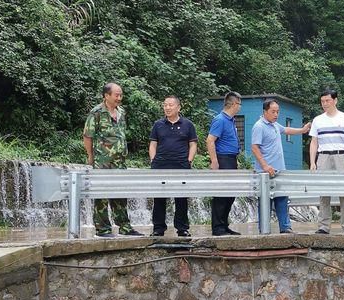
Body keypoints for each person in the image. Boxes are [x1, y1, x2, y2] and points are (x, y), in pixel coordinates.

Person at [83, 82, 143, 238]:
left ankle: (124, 227)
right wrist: (90, 156)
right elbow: (87, 136)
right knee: (101, 195)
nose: (119, 98)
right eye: (116, 95)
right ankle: (103, 229)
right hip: (102, 161)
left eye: (121, 95)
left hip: (120, 162)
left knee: (121, 193)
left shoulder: (121, 112)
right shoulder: (96, 113)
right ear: (106, 95)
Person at [251, 99, 310, 233]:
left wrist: (302, 130)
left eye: (277, 112)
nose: (276, 114)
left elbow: (287, 129)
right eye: (273, 112)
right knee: (265, 202)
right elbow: (254, 147)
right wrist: (265, 166)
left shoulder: (275, 125)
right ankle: (264, 230)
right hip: (265, 172)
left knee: (282, 199)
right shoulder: (259, 126)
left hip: (279, 171)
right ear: (265, 111)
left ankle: (285, 228)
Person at [309, 89, 344, 235]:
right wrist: (313, 162)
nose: (325, 104)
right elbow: (313, 142)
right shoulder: (318, 120)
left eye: (327, 101)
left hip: (341, 155)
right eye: (322, 101)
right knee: (324, 192)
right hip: (323, 156)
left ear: (335, 101)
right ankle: (324, 226)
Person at [149, 95, 198, 237]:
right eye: (165, 105)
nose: (167, 107)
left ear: (178, 107)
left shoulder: (188, 124)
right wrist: (153, 160)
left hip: (181, 165)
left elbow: (193, 144)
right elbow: (153, 144)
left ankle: (182, 228)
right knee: (159, 197)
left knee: (181, 197)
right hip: (160, 165)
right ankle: (158, 228)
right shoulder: (158, 124)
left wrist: (189, 160)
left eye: (170, 105)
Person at [206, 91, 242, 236]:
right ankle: (217, 227)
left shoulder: (230, 120)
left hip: (231, 159)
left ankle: (224, 225)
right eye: (239, 104)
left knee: (230, 194)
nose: (240, 107)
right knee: (221, 194)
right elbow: (210, 140)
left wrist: (236, 159)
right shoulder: (220, 119)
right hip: (222, 159)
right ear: (233, 104)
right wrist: (214, 161)